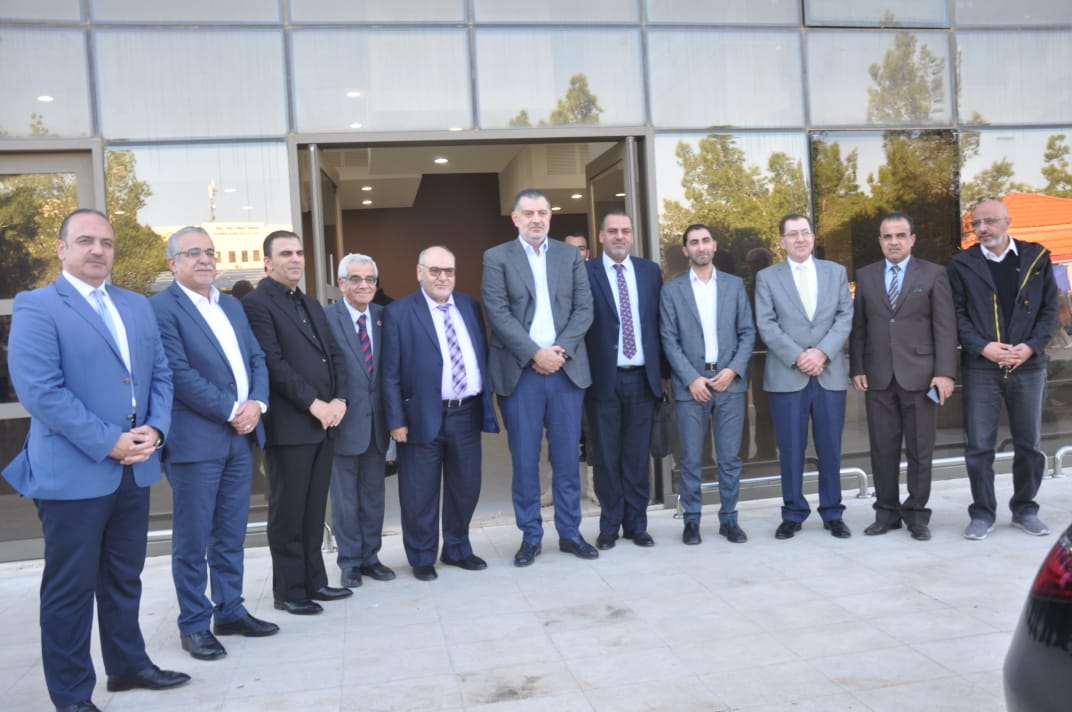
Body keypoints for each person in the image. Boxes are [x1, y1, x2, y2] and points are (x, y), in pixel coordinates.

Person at [2, 208, 189, 711]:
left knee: (124, 576)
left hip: (135, 468)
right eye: (85, 240)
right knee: (70, 589)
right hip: (74, 473)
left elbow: (161, 374)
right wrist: (109, 441)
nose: (97, 250)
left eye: (106, 242)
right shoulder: (38, 306)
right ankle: (71, 696)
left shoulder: (136, 305)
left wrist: (156, 428)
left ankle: (128, 666)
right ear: (61, 249)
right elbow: (41, 392)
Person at [151, 227, 279, 661]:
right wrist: (232, 409)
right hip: (196, 442)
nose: (205, 259)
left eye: (209, 251)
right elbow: (178, 373)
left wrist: (257, 403)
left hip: (239, 439)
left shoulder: (230, 305)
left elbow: (256, 358)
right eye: (193, 253)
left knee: (230, 532)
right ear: (173, 263)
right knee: (193, 539)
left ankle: (230, 610)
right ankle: (193, 623)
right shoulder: (161, 309)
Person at [482, 188, 596, 567]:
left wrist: (558, 352)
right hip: (521, 373)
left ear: (550, 217)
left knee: (566, 459)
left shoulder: (569, 256)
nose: (536, 219)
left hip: (565, 370)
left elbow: (584, 308)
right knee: (525, 460)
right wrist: (535, 353)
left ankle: (570, 533)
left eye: (542, 213)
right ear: (515, 218)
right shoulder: (497, 257)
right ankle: (530, 535)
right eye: (528, 213)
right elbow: (498, 313)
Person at [242, 230, 353, 614]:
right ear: (267, 262)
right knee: (288, 513)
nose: (295, 259)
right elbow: (272, 363)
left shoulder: (309, 302)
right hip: (290, 427)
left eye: (299, 252)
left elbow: (334, 355)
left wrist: (340, 399)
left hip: (324, 424)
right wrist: (314, 404)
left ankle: (315, 582)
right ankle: (289, 591)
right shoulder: (257, 304)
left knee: (312, 510)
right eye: (286, 253)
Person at [382, 246, 499, 581]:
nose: (442, 277)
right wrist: (396, 420)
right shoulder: (399, 312)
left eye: (449, 271)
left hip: (466, 413)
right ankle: (422, 556)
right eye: (435, 270)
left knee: (466, 486)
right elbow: (389, 373)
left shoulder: (469, 306)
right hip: (419, 415)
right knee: (419, 492)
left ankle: (457, 548)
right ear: (419, 272)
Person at [948, 198, 1058, 540]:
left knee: (1029, 444)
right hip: (982, 367)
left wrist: (1030, 347)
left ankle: (1025, 509)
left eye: (989, 221)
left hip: (1029, 365)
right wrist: (984, 347)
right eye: (976, 224)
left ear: (1007, 221)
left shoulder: (1037, 257)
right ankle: (982, 513)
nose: (982, 229)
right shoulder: (962, 264)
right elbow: (956, 315)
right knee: (979, 446)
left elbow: (1050, 311)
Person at [849, 213, 957, 542]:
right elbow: (859, 327)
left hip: (922, 377)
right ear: (879, 241)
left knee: (920, 451)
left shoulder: (934, 273)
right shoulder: (865, 276)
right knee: (882, 450)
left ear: (912, 239)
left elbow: (945, 327)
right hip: (878, 377)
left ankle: (917, 515)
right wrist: (857, 367)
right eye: (887, 236)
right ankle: (886, 514)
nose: (893, 241)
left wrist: (945, 373)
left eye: (900, 235)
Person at [755, 213, 854, 540]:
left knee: (831, 448)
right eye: (792, 234)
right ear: (781, 242)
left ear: (813, 237)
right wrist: (799, 356)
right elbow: (766, 323)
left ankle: (833, 512)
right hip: (788, 374)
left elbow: (845, 316)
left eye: (805, 232)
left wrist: (822, 352)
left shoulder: (835, 272)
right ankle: (793, 513)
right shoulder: (767, 277)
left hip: (829, 372)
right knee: (791, 449)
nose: (800, 238)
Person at [661, 224, 755, 544]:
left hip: (729, 383)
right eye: (693, 243)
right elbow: (668, 339)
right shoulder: (672, 291)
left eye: (705, 241)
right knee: (690, 458)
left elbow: (747, 332)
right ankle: (692, 520)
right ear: (685, 250)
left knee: (729, 458)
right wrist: (691, 378)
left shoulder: (734, 285)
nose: (700, 247)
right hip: (692, 387)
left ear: (714, 245)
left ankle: (729, 519)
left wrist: (733, 370)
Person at [583, 212, 663, 549]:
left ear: (632, 236)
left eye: (625, 231)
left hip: (642, 379)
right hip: (603, 379)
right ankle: (609, 525)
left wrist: (664, 375)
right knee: (606, 457)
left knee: (636, 456)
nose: (619, 236)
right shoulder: (585, 272)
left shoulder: (649, 272)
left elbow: (659, 323)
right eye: (612, 231)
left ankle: (636, 524)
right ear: (601, 236)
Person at [324, 253, 395, 588]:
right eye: (356, 279)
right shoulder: (326, 318)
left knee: (373, 496)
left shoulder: (385, 316)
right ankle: (349, 561)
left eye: (370, 279)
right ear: (341, 283)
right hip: (343, 423)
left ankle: (371, 558)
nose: (364, 285)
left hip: (378, 424)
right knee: (345, 500)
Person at [741, 247, 777, 462]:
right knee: (754, 405)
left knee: (764, 406)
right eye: (751, 263)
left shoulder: (770, 288)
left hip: (764, 355)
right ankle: (760, 451)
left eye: (755, 263)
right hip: (751, 354)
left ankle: (766, 450)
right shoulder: (748, 289)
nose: (752, 267)